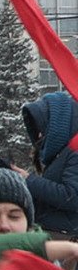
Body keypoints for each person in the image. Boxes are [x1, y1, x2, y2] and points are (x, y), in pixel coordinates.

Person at [21, 92, 78, 235]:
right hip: (59, 231)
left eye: (43, 127)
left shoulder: (74, 152)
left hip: (66, 237)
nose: (39, 136)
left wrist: (28, 180)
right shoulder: (62, 152)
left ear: (58, 123)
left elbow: (72, 196)